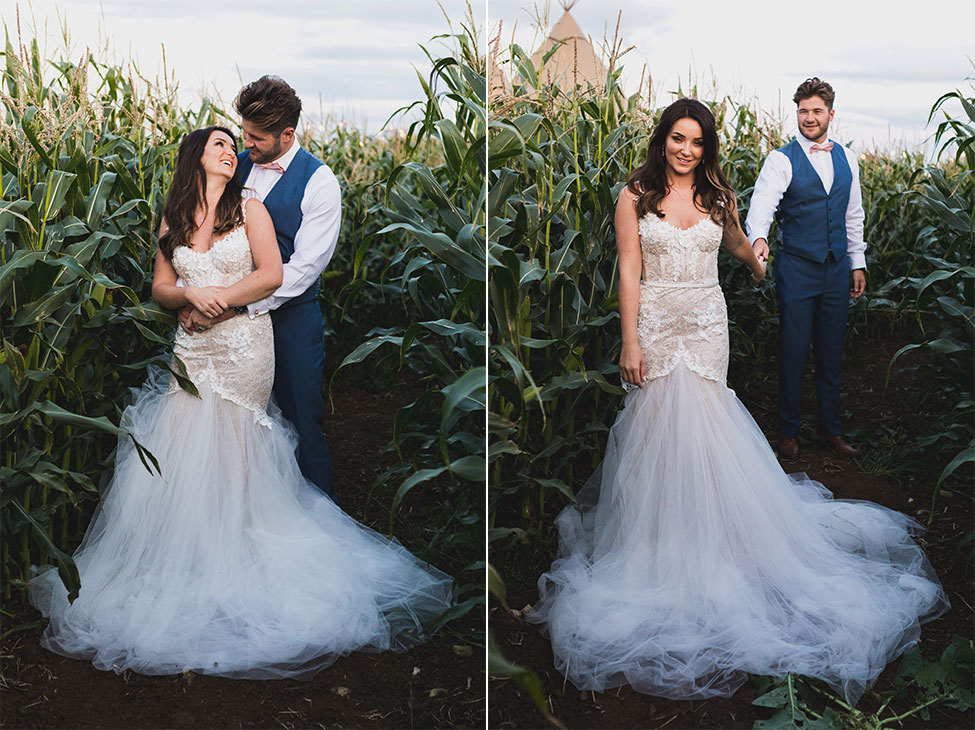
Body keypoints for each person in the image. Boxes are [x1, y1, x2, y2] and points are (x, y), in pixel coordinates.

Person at [527, 99, 947, 704]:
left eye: (697, 141)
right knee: (654, 431)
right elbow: (627, 270)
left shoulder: (716, 196)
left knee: (705, 427)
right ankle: (657, 543)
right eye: (677, 138)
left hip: (704, 323)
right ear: (662, 140)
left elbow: (736, 247)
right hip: (656, 323)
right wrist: (629, 340)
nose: (686, 150)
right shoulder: (635, 196)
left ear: (707, 147)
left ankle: (716, 539)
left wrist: (756, 259)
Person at [29, 127, 452, 679]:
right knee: (184, 442)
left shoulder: (249, 208)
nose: (232, 152)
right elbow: (160, 286)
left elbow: (272, 274)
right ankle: (192, 555)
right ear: (195, 159)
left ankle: (241, 552)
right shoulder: (174, 219)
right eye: (220, 145)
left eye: (236, 146)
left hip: (242, 346)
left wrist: (219, 301)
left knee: (235, 441)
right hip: (192, 348)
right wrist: (187, 295)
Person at [181, 76, 339, 502]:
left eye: (255, 137)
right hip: (223, 321)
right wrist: (191, 289)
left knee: (301, 418)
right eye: (242, 133)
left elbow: (304, 268)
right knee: (232, 424)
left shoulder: (320, 183)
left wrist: (238, 305)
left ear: (287, 134)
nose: (242, 144)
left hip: (290, 317)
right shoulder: (238, 165)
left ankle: (317, 516)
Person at [746, 77, 866, 460]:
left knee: (832, 353)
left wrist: (857, 262)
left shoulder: (847, 158)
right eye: (803, 111)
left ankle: (831, 431)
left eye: (816, 111)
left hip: (836, 270)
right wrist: (759, 239)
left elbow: (852, 215)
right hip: (797, 268)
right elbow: (761, 206)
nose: (809, 117)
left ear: (831, 114)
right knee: (794, 351)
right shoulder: (781, 159)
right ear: (796, 113)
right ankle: (788, 431)